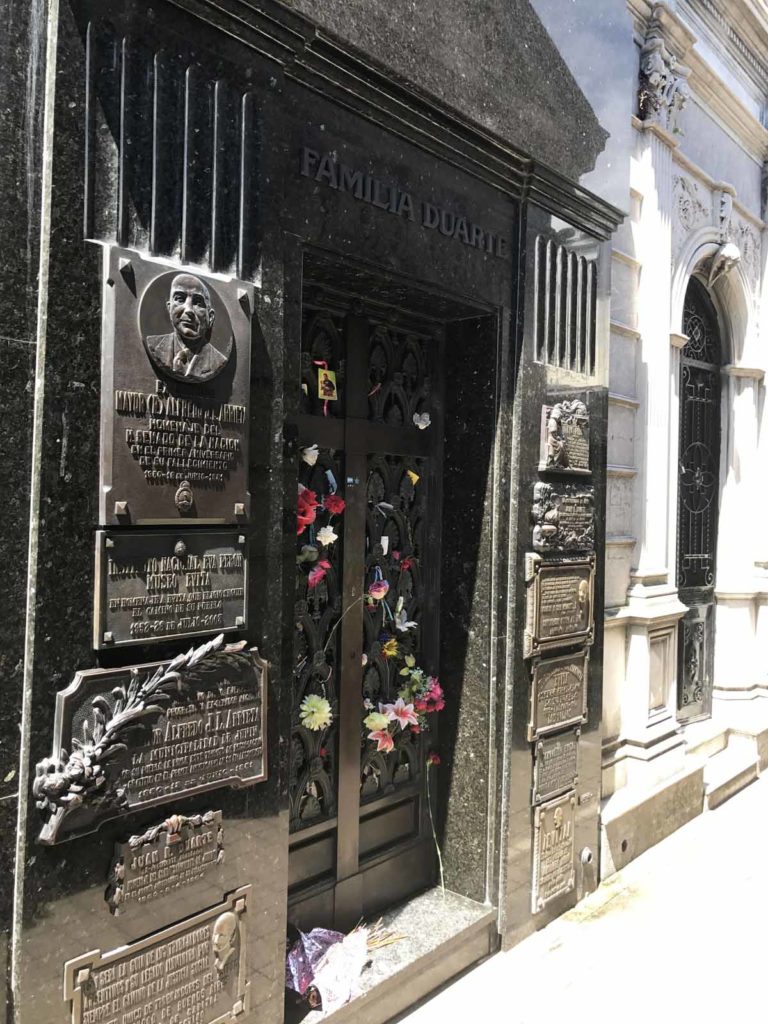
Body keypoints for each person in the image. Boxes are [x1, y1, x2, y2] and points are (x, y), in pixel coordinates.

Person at [145, 273, 230, 383]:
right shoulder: (154, 345)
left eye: (198, 303)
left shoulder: (218, 361)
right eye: (180, 299)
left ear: (211, 317)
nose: (188, 309)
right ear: (169, 308)